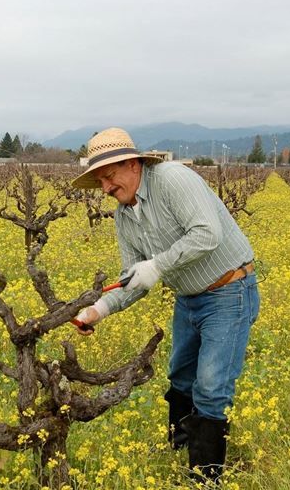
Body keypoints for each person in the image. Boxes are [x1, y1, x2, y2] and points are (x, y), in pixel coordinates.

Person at [72, 127, 260, 484]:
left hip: (229, 291)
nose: (106, 188)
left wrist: (157, 266)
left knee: (211, 386)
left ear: (132, 164)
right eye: (100, 182)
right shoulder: (124, 216)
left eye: (109, 177)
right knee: (180, 377)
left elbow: (207, 233)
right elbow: (133, 279)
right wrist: (98, 310)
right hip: (188, 298)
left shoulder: (172, 180)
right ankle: (177, 452)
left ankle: (204, 478)